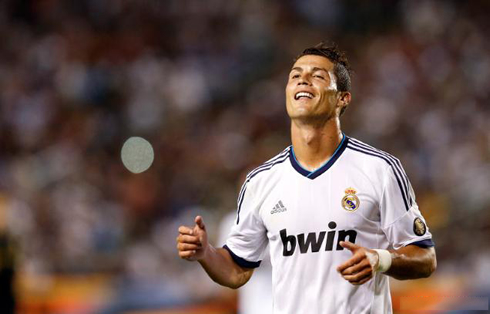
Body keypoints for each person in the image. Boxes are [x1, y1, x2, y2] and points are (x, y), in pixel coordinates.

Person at [176, 42, 436, 313]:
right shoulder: (260, 181)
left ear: (343, 98)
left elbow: (425, 257)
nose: (303, 80)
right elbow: (237, 270)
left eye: (318, 76)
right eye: (296, 75)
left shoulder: (379, 169)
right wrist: (206, 253)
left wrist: (381, 259)